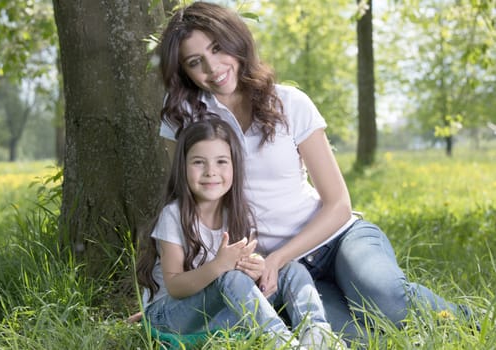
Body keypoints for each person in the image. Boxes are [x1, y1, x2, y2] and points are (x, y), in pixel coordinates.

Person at [153, 0, 476, 343]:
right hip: (286, 274)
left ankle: (471, 320)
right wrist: (165, 296)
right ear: (184, 71)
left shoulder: (289, 102)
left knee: (386, 299)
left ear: (235, 40)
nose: (213, 66)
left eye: (218, 48)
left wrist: (278, 257)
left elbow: (337, 203)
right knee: (357, 336)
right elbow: (187, 204)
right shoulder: (185, 115)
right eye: (195, 62)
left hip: (337, 239)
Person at [136, 118, 348, 349]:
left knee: (289, 270)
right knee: (229, 277)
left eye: (221, 162)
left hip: (219, 312)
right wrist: (219, 266)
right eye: (199, 162)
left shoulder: (236, 214)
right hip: (171, 318)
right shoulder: (174, 215)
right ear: (182, 167)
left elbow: (239, 274)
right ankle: (281, 342)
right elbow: (175, 286)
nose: (211, 172)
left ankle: (317, 335)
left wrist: (255, 268)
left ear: (235, 167)